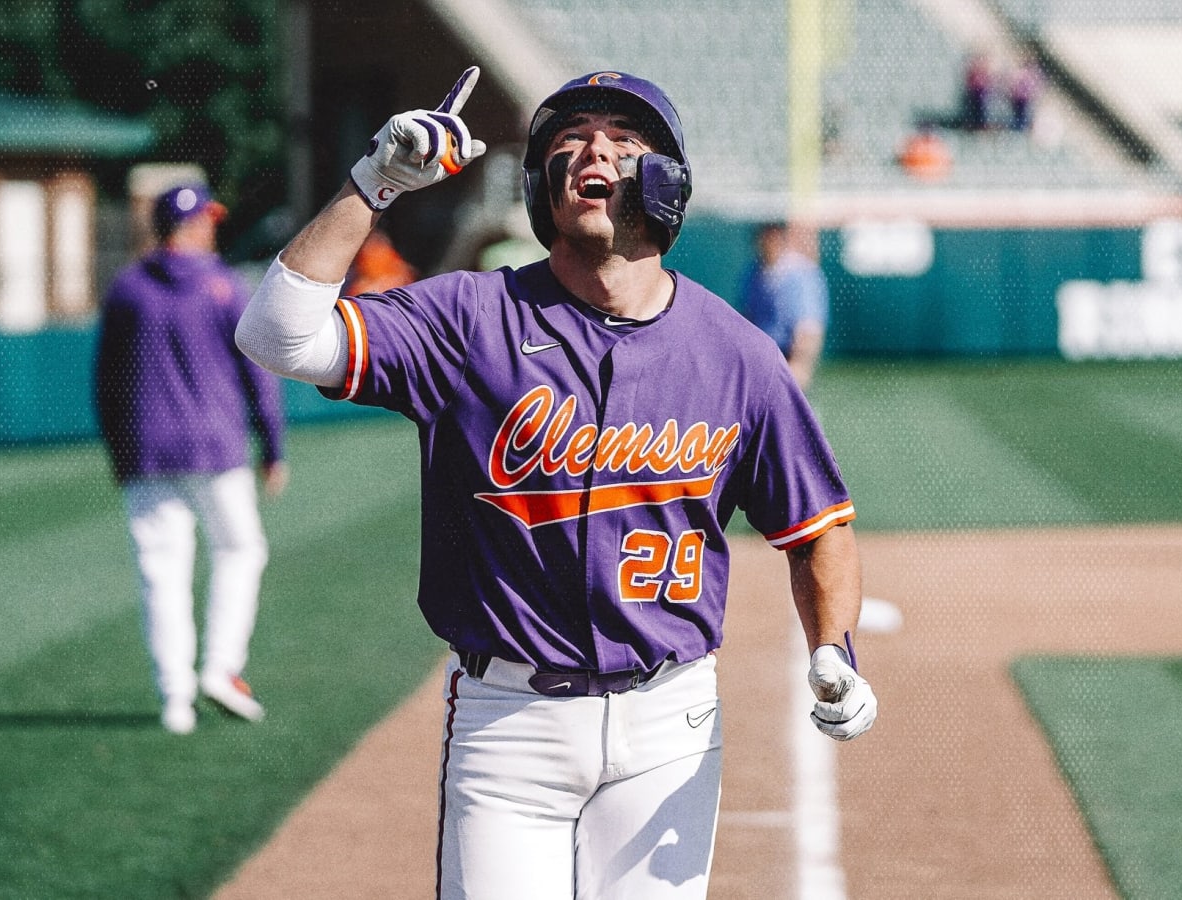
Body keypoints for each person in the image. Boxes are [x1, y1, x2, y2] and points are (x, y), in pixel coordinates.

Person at [235, 67, 876, 898]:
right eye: (567, 144)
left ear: (667, 180)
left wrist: (836, 649)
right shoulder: (467, 319)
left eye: (620, 139)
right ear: (543, 188)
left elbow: (817, 528)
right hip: (511, 725)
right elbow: (276, 335)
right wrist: (375, 182)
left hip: (669, 721)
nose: (589, 153)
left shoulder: (737, 354)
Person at [94, 182, 288, 735]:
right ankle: (222, 669)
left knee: (163, 573)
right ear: (196, 224)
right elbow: (259, 370)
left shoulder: (128, 288)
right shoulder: (224, 285)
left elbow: (105, 382)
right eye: (207, 218)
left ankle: (174, 699)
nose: (213, 227)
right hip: (218, 448)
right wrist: (273, 446)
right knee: (240, 550)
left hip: (148, 453)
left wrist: (118, 451)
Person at [740, 222, 830, 390]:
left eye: (773, 235)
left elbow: (809, 332)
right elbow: (746, 320)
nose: (769, 241)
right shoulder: (752, 273)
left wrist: (795, 372)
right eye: (765, 235)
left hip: (787, 359)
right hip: (760, 360)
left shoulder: (801, 275)